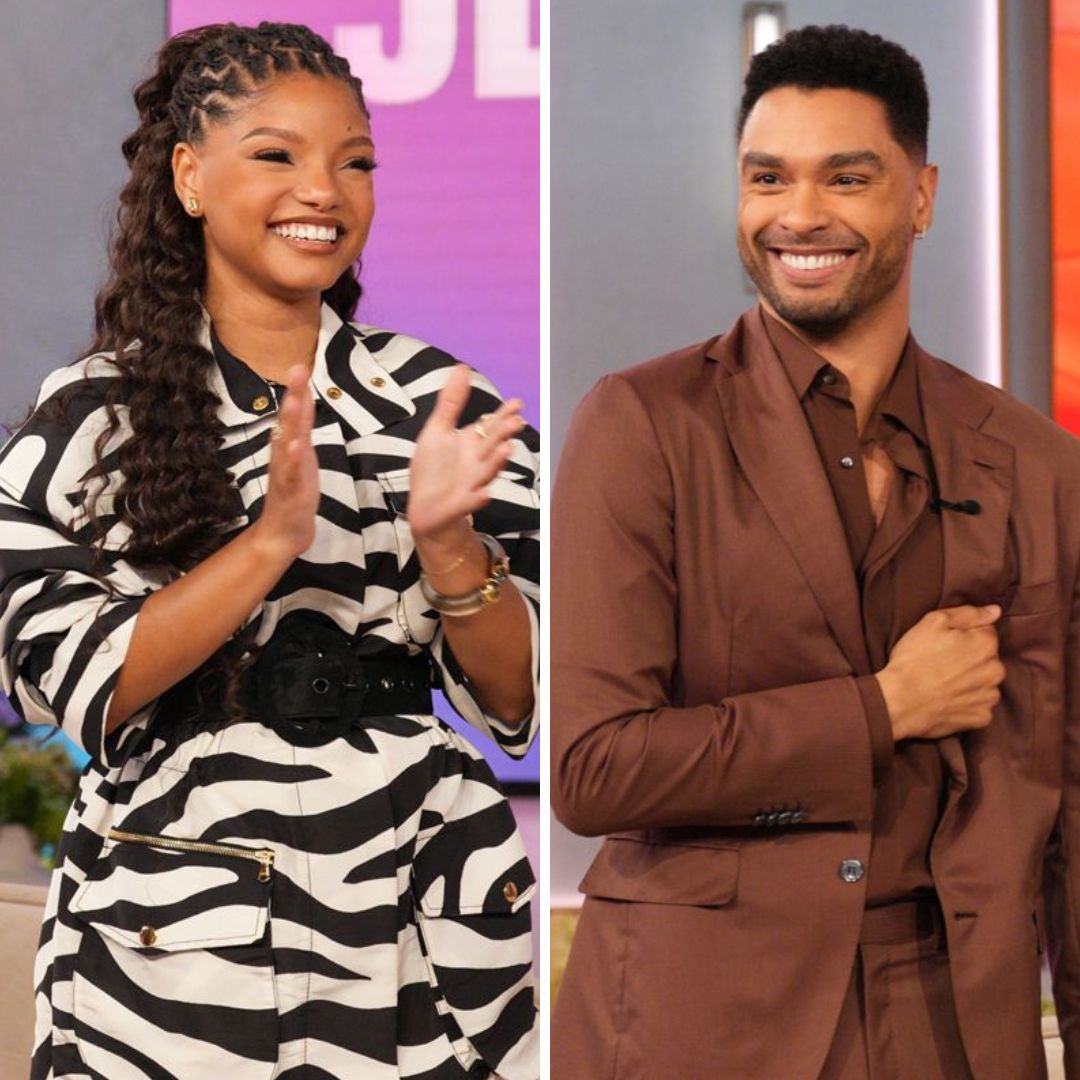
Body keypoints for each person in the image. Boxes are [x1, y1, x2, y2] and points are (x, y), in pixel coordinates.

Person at [0, 22, 539, 1080]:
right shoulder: (91, 415)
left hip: (424, 916)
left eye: (356, 161)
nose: (324, 192)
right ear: (191, 177)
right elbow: (69, 687)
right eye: (278, 155)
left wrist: (448, 547)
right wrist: (270, 542)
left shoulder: (436, 401)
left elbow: (523, 699)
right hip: (166, 950)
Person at [551, 24, 1080, 1080]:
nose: (799, 215)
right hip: (699, 1023)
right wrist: (880, 711)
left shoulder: (1034, 460)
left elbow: (1062, 797)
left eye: (847, 177)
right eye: (767, 179)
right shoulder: (642, 424)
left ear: (922, 196)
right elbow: (594, 767)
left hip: (953, 1027)